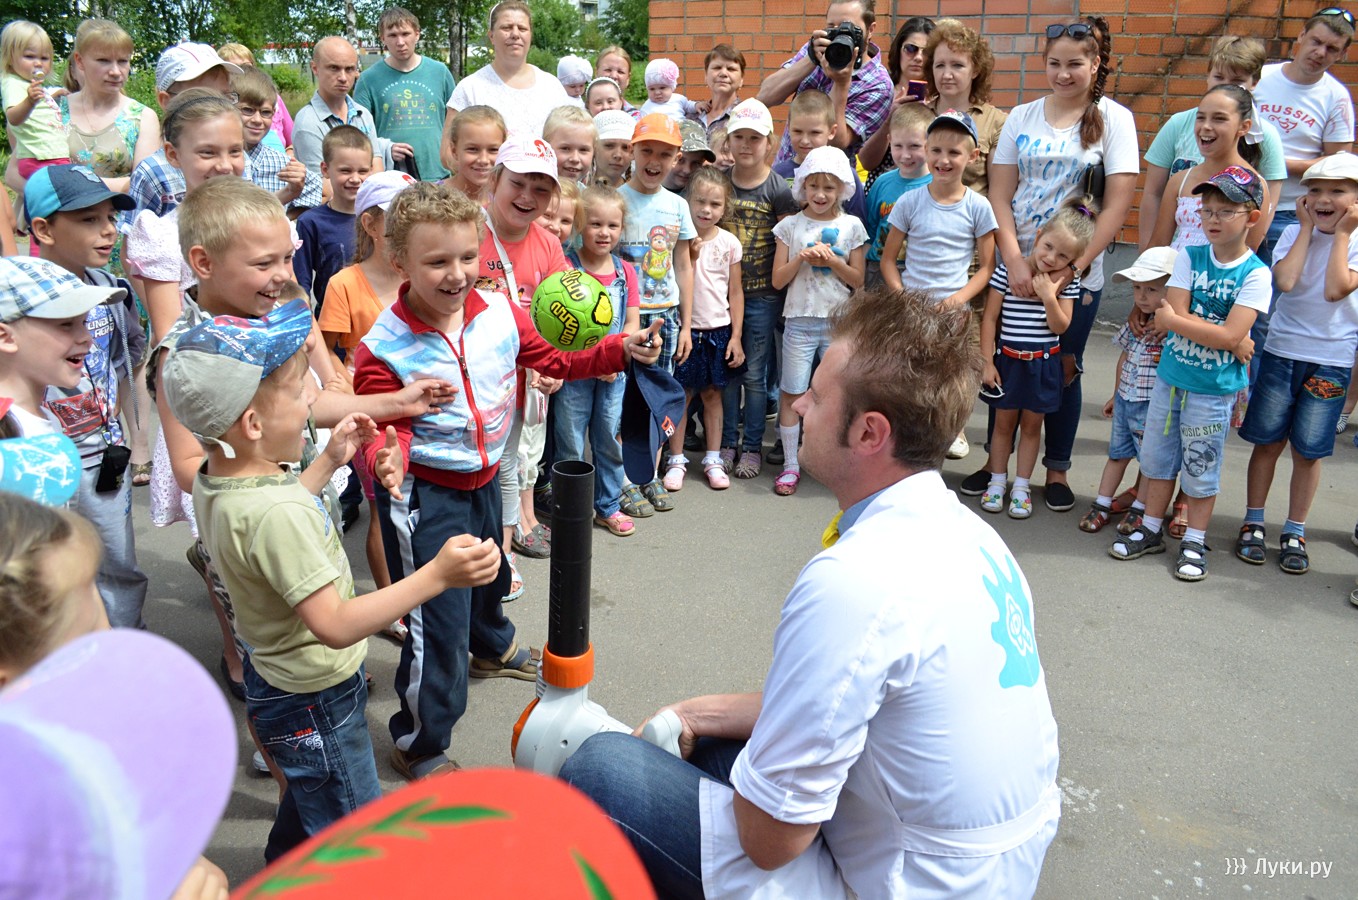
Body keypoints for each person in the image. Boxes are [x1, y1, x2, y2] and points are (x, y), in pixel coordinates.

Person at [560, 286, 1061, 900]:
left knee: (601, 768)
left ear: (870, 432)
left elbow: (769, 840)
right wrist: (697, 714)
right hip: (981, 870)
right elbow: (855, 707)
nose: (796, 406)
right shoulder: (973, 537)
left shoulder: (857, 580)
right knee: (711, 744)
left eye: (817, 397)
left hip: (907, 884)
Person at [161, 300, 496, 861]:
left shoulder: (216, 479)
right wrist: (437, 575)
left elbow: (266, 521)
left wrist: (326, 463)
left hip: (275, 681)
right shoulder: (277, 515)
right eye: (301, 394)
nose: (311, 402)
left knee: (312, 799)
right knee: (354, 834)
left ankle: (282, 871)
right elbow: (334, 624)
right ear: (253, 425)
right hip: (315, 698)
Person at [352, 182, 663, 779]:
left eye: (468, 256)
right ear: (400, 262)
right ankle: (419, 741)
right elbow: (382, 425)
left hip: (486, 476)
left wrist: (618, 350)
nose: (457, 274)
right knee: (438, 623)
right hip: (425, 494)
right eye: (437, 261)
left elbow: (553, 358)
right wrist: (386, 458)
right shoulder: (383, 347)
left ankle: (491, 647)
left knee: (491, 574)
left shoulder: (500, 311)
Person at [967, 16, 1140, 513]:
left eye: (1075, 64)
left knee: (1062, 367)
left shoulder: (1115, 120)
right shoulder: (1022, 117)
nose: (1064, 74)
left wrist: (1072, 270)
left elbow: (1116, 206)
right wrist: (1015, 260)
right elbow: (1001, 195)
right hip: (1019, 268)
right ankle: (996, 466)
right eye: (1055, 63)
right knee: (1008, 362)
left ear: (1096, 64)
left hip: (1075, 273)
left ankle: (1056, 469)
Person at [1109, 167, 1270, 582]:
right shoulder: (1189, 257)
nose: (1213, 219)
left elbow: (1192, 323)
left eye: (1226, 211)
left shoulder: (1256, 274)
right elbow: (1174, 314)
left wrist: (1222, 335)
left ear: (1251, 218)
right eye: (1207, 210)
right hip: (1171, 380)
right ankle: (1150, 528)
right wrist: (1224, 336)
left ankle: (1195, 540)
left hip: (1212, 390)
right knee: (1157, 459)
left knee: (1201, 466)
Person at [25, 166, 149, 630]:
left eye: (111, 218)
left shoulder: (110, 290)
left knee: (117, 562)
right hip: (42, 458)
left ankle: (123, 645)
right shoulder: (20, 299)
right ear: (44, 229)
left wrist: (130, 431)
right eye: (89, 219)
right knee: (44, 568)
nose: (108, 231)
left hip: (103, 458)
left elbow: (128, 355)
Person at [1236, 153, 1358, 574]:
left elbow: (1335, 289)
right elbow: (1285, 282)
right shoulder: (1292, 232)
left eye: (1337, 191)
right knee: (1268, 442)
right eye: (1315, 190)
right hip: (1282, 353)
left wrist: (1343, 235)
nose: (1323, 199)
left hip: (1331, 361)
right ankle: (1253, 520)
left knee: (1308, 451)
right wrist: (1306, 229)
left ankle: (1294, 529)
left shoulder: (1356, 241)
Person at [473, 139, 570, 585]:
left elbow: (563, 316)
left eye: (541, 189)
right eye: (517, 183)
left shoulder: (548, 244)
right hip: (466, 379)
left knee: (507, 467)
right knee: (470, 470)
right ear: (494, 180)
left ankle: (503, 554)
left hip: (518, 383)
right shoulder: (467, 230)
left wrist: (553, 364)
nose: (528, 197)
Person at [318, 170, 415, 598]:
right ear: (370, 224)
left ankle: (421, 587)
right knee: (383, 505)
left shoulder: (422, 277)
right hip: (372, 414)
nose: (408, 227)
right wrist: (346, 389)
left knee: (418, 501)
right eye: (398, 218)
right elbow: (327, 352)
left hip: (420, 408)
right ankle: (389, 600)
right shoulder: (344, 283)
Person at [979, 199, 1097, 520]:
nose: (1051, 258)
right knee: (1002, 426)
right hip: (1008, 362)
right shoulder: (1006, 273)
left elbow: (1061, 327)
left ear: (1072, 262)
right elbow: (989, 318)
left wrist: (1048, 297)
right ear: (1039, 234)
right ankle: (997, 482)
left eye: (1063, 257)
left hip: (1043, 364)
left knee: (1032, 428)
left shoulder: (1065, 285)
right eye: (1048, 247)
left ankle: (1021, 488)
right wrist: (987, 362)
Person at [769, 146, 868, 497]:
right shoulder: (789, 226)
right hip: (799, 321)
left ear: (841, 189)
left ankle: (837, 463)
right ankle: (791, 465)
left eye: (829, 187)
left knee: (840, 395)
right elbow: (778, 280)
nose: (821, 195)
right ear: (802, 187)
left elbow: (858, 280)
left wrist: (833, 262)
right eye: (813, 186)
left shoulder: (852, 225)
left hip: (839, 324)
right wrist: (801, 258)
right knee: (792, 392)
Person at [616, 114, 696, 515]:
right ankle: (623, 481)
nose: (654, 160)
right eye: (646, 150)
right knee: (622, 400)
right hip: (622, 317)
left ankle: (648, 473)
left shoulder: (678, 206)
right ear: (632, 150)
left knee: (656, 399)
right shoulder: (616, 200)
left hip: (665, 316)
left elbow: (684, 265)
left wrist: (687, 325)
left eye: (664, 154)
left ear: (676, 158)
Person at [1139, 36, 1288, 251]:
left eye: (1236, 81)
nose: (1206, 126)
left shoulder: (1264, 150)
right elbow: (1153, 199)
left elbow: (1250, 245)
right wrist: (1146, 258)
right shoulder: (1180, 168)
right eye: (1219, 77)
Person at [557, 185, 645, 531]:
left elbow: (632, 323)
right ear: (581, 225)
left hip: (613, 374)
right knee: (570, 442)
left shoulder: (625, 272)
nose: (604, 232)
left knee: (608, 440)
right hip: (574, 372)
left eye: (612, 225)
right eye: (595, 224)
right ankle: (571, 510)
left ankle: (607, 505)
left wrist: (614, 358)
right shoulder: (566, 268)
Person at [720, 99, 798, 480]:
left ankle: (751, 446)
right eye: (739, 137)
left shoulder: (777, 188)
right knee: (726, 374)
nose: (746, 145)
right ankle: (725, 442)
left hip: (763, 297)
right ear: (728, 141)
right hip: (721, 296)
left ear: (769, 142)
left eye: (755, 138)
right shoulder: (720, 182)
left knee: (753, 375)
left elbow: (789, 240)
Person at [1080, 247, 1176, 535]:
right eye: (1137, 288)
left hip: (1152, 406)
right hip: (1126, 400)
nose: (1142, 297)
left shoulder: (1172, 331)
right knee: (1117, 454)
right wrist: (1115, 393)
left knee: (1149, 462)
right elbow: (1125, 356)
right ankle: (1102, 503)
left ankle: (1140, 508)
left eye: (1151, 289)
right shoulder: (1136, 322)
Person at [1253, 9, 1355, 263]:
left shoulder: (1336, 97)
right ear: (1301, 36)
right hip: (1240, 201)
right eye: (1316, 41)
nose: (1320, 53)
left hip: (1291, 212)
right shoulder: (1259, 78)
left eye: (1332, 48)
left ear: (1343, 54)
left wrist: (1278, 164)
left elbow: (1339, 164)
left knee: (1279, 286)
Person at [667, 167, 743, 492]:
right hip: (685, 329)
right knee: (681, 396)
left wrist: (736, 336)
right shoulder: (678, 239)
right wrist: (692, 254)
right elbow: (677, 278)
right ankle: (675, 459)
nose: (706, 210)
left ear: (725, 208)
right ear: (688, 200)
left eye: (715, 204)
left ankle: (713, 459)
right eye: (700, 201)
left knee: (713, 395)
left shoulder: (730, 242)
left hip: (718, 330)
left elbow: (735, 292)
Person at [879, 110, 997, 308]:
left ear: (973, 156)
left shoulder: (978, 206)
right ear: (926, 150)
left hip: (954, 314)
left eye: (954, 152)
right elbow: (887, 261)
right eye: (936, 150)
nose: (943, 160)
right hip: (912, 312)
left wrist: (953, 302)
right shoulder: (908, 202)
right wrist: (903, 298)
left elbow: (987, 268)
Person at [755, 0, 894, 167]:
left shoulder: (878, 84)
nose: (840, 34)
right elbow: (764, 97)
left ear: (870, 29)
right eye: (832, 27)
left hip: (827, 179)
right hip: (785, 173)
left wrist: (841, 84)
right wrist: (811, 59)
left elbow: (836, 141)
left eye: (848, 27)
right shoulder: (817, 49)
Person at [0, 256, 124, 441]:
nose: (87, 338)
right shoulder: (10, 436)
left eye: (84, 322)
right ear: (5, 338)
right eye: (66, 324)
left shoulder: (46, 419)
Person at [125, 42, 243, 221]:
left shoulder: (239, 161)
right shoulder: (153, 172)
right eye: (199, 98)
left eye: (224, 96)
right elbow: (134, 234)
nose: (215, 108)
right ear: (166, 101)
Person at [1148, 85, 1270, 251]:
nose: (1206, 126)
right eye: (1200, 118)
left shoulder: (1255, 185)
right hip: (1175, 266)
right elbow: (1157, 245)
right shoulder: (1180, 180)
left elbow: (1248, 253)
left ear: (1244, 127)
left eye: (1219, 119)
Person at [354, 6, 457, 181]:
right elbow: (358, 134)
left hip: (438, 175)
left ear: (417, 34)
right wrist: (386, 149)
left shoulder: (440, 73)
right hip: (392, 178)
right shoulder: (368, 79)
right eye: (393, 35)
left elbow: (456, 122)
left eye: (405, 34)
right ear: (383, 38)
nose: (400, 42)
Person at [59, 19, 160, 196]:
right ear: (80, 61)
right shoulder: (54, 109)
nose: (115, 71)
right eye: (103, 61)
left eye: (122, 61)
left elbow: (143, 186)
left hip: (118, 213)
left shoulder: (142, 117)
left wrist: (69, 184)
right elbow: (18, 173)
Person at [444, 0, 568, 141]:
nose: (515, 34)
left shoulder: (552, 87)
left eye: (522, 28)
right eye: (506, 28)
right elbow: (449, 149)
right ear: (491, 36)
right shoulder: (469, 89)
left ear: (530, 36)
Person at [293, 37, 402, 179]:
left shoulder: (363, 115)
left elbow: (376, 171)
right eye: (334, 68)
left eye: (349, 69)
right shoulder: (308, 123)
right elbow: (321, 184)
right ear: (315, 68)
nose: (343, 77)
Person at [295, 126, 373, 311]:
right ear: (325, 169)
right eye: (345, 171)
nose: (355, 179)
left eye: (362, 171)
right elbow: (300, 283)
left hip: (376, 316)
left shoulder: (379, 218)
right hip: (331, 317)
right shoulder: (310, 222)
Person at [857, 14, 936, 187]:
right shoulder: (880, 91)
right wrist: (889, 119)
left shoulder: (941, 100)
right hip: (882, 192)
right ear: (898, 50)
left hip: (928, 192)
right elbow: (866, 161)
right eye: (911, 48)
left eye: (927, 52)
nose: (918, 57)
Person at [233, 66, 322, 214]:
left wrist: (287, 219)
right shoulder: (219, 165)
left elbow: (319, 189)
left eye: (265, 113)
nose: (257, 120)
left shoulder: (282, 165)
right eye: (248, 110)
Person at [773, 90, 868, 223]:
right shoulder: (778, 174)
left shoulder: (846, 175)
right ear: (788, 128)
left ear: (832, 131)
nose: (805, 140)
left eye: (815, 133)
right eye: (798, 131)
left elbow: (858, 225)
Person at [865, 103, 933, 285]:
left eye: (914, 146)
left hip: (920, 271)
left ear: (930, 144)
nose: (905, 155)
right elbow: (869, 231)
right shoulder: (881, 183)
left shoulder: (938, 185)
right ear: (889, 141)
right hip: (877, 270)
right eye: (898, 146)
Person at [0, 21, 69, 193]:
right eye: (30, 56)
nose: (38, 63)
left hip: (53, 155)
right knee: (56, 199)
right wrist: (29, 102)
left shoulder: (31, 86)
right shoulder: (12, 83)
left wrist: (55, 93)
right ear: (10, 58)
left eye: (44, 58)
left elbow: (42, 105)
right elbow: (13, 117)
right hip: (39, 158)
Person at [217, 41, 293, 149]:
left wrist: (289, 153)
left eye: (246, 66)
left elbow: (293, 139)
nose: (242, 72)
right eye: (234, 69)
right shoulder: (219, 102)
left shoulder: (273, 98)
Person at [442, 105, 505, 203]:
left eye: (493, 150)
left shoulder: (508, 202)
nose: (483, 160)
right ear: (454, 150)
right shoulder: (431, 198)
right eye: (473, 149)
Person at [688, 44, 745, 138]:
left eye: (731, 69)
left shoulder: (746, 118)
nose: (723, 73)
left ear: (741, 79)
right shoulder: (690, 116)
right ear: (706, 76)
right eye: (717, 68)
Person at [544, 104, 596, 184]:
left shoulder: (586, 192)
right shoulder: (531, 190)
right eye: (565, 148)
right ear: (546, 149)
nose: (575, 159)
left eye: (583, 150)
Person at [640, 58, 697, 122]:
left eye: (662, 88)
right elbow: (643, 123)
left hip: (680, 126)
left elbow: (688, 106)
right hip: (659, 128)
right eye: (652, 89)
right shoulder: (646, 107)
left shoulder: (678, 99)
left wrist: (696, 106)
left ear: (671, 87)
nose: (657, 92)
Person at [592, 109, 634, 188]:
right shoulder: (576, 191)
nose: (618, 155)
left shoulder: (639, 193)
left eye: (625, 147)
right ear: (594, 147)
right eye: (609, 145)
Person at [596, 45, 640, 115]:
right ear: (596, 72)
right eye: (608, 70)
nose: (613, 76)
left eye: (620, 72)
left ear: (628, 78)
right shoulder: (582, 114)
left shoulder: (634, 117)